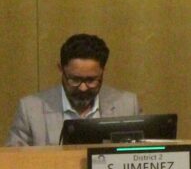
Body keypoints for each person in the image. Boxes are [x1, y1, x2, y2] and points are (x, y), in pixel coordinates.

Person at [7, 33, 141, 146]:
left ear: (103, 71)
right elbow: (14, 161)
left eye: (91, 80)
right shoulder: (30, 109)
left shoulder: (127, 105)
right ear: (61, 69)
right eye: (75, 80)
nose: (83, 88)